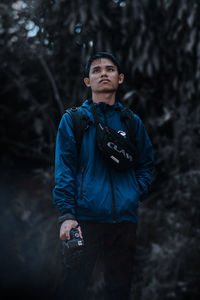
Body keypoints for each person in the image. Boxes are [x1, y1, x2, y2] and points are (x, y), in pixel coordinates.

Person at [53, 52, 154, 300]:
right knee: (73, 287)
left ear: (120, 78)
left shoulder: (131, 122)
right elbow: (64, 167)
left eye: (110, 69)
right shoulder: (75, 120)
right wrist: (67, 215)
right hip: (85, 220)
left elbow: (146, 164)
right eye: (96, 70)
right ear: (88, 81)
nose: (103, 74)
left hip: (124, 222)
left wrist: (133, 192)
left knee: (119, 290)